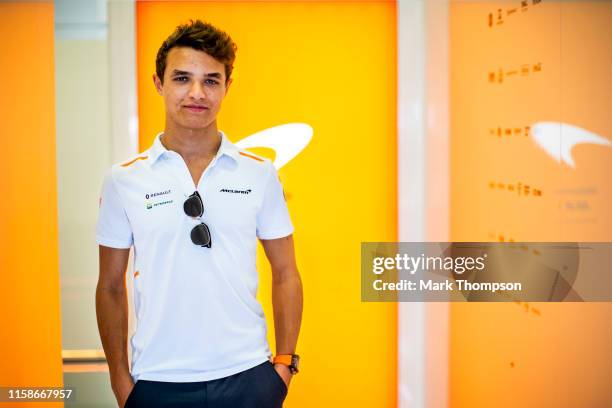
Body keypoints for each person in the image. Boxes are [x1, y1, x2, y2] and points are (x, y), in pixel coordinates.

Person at [95, 20, 303, 408]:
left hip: (249, 377)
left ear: (226, 87)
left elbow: (286, 272)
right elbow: (109, 286)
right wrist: (121, 381)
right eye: (181, 78)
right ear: (159, 83)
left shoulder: (258, 173)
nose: (196, 93)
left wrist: (284, 366)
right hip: (157, 381)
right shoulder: (124, 180)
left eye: (211, 80)